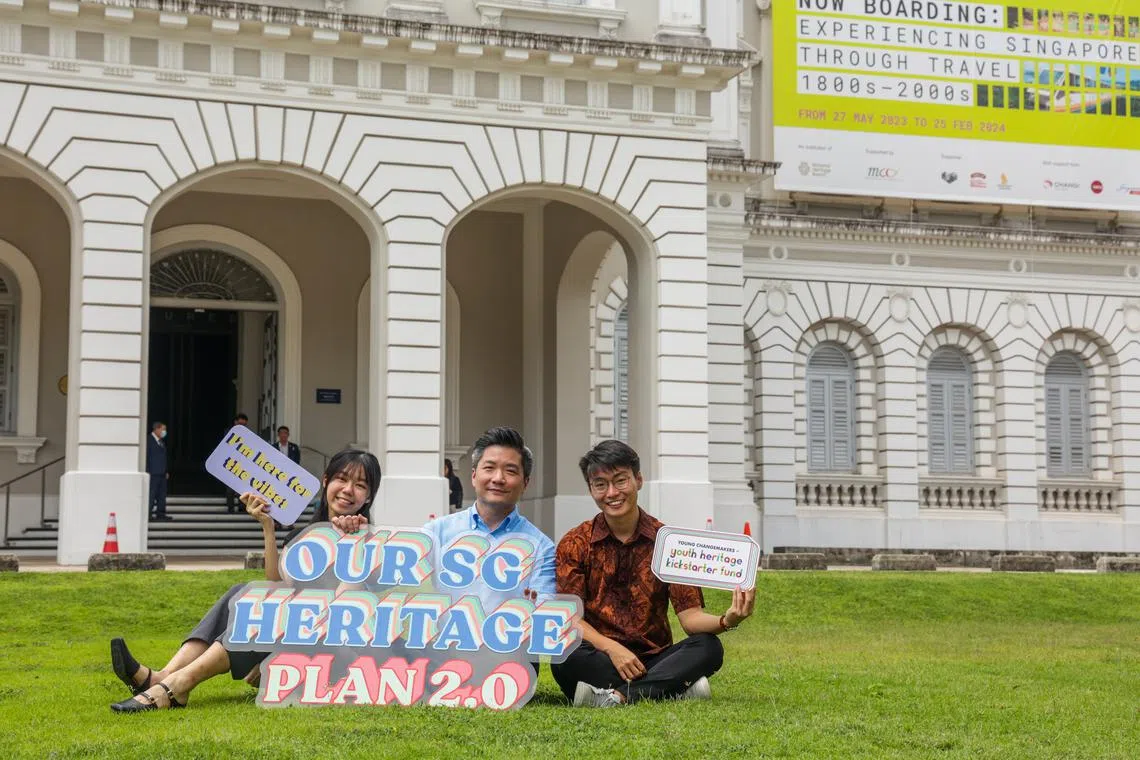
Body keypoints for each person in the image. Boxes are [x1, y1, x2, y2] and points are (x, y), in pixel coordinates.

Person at [108, 449, 381, 712]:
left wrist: (350, 542)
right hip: (294, 634)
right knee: (243, 592)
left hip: (335, 651)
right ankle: (164, 676)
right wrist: (267, 527)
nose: (348, 490)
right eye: (342, 479)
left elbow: (344, 611)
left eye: (360, 485)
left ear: (367, 497)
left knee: (272, 613)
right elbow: (277, 584)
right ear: (326, 481)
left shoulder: (374, 543)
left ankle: (178, 684)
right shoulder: (305, 537)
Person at [551, 439, 756, 707]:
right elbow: (569, 618)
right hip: (601, 655)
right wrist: (613, 649)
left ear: (638, 480)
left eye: (620, 480)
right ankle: (669, 689)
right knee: (565, 654)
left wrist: (727, 620)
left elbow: (690, 618)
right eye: (600, 485)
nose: (612, 492)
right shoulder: (575, 542)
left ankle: (619, 697)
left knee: (708, 647)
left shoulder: (668, 542)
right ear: (591, 490)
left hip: (656, 657)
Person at [145, 421, 171, 522]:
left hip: (162, 473)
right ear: (156, 429)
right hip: (153, 472)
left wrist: (166, 471)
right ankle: (148, 513)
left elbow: (163, 458)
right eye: (163, 429)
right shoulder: (148, 440)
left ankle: (161, 513)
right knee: (152, 494)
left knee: (162, 495)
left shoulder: (161, 442)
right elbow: (147, 457)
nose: (164, 432)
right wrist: (148, 471)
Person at [224, 413, 249, 513]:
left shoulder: (248, 434)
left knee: (242, 487)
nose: (242, 427)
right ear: (235, 423)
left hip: (242, 463)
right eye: (240, 424)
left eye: (244, 425)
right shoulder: (228, 433)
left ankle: (242, 506)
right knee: (230, 486)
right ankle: (230, 507)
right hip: (230, 462)